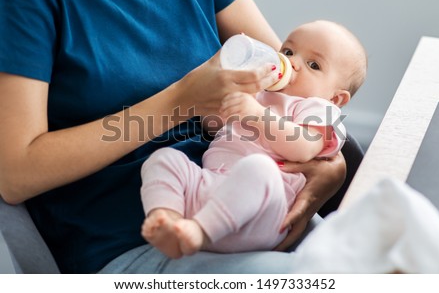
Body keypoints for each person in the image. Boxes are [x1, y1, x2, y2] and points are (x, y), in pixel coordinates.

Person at [0, 0, 348, 273]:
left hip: (258, 206)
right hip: (135, 239)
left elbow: (294, 86)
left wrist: (333, 166)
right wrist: (183, 100)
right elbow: (15, 175)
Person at [140, 20, 367, 258]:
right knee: (165, 159)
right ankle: (168, 220)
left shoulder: (319, 109)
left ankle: (199, 231)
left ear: (336, 99)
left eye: (313, 65)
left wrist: (257, 115)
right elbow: (213, 124)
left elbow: (303, 149)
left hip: (261, 212)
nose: (292, 62)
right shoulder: (259, 93)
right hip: (212, 187)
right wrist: (227, 93)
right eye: (288, 51)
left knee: (259, 168)